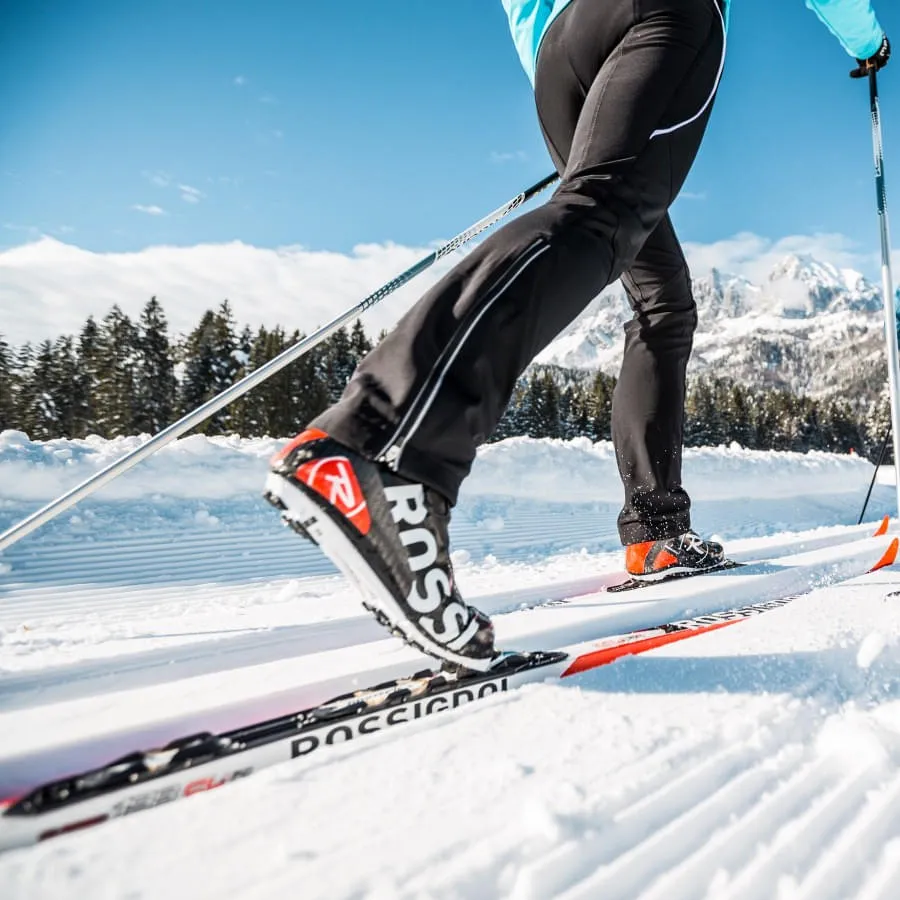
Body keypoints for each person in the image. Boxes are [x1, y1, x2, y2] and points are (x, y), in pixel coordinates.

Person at [266, 0, 890, 672]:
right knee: (601, 217)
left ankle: (655, 530)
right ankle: (385, 449)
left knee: (662, 301)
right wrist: (867, 40)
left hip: (558, 56)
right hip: (656, 15)